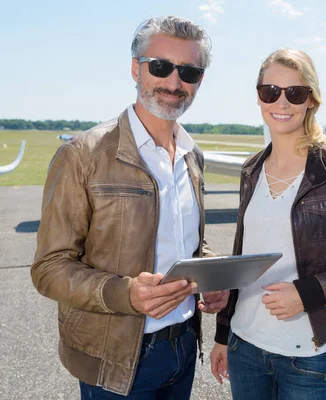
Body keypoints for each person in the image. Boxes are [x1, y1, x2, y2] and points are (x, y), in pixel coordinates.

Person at [31, 16, 228, 399]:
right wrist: (127, 294)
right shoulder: (82, 155)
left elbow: (182, 242)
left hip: (184, 347)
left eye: (188, 71)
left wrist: (212, 276)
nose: (174, 83)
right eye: (160, 66)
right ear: (135, 68)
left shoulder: (192, 156)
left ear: (199, 81)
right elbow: (49, 268)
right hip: (117, 358)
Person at [209, 48, 326, 399]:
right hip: (244, 347)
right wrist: (223, 334)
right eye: (271, 92)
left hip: (307, 356)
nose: (281, 102)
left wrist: (307, 293)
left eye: (294, 92)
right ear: (259, 96)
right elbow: (242, 254)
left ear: (311, 99)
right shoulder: (251, 170)